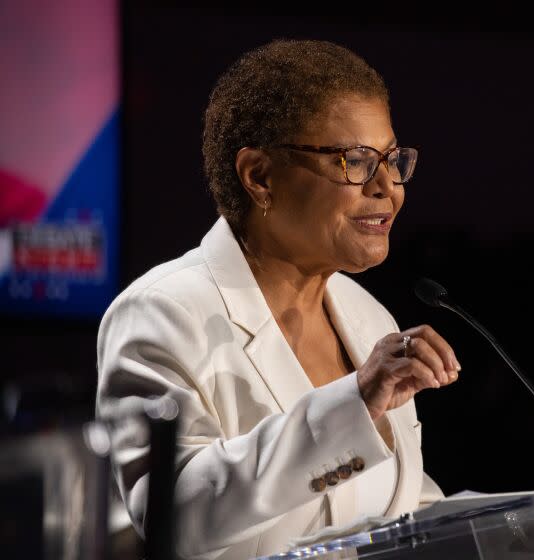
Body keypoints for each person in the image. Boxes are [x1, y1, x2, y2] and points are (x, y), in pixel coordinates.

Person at [96, 38, 461, 560]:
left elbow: (392, 511)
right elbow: (172, 514)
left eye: (391, 159)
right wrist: (352, 406)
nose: (388, 187)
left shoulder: (367, 316)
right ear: (260, 177)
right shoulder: (162, 313)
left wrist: (522, 526)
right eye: (355, 161)